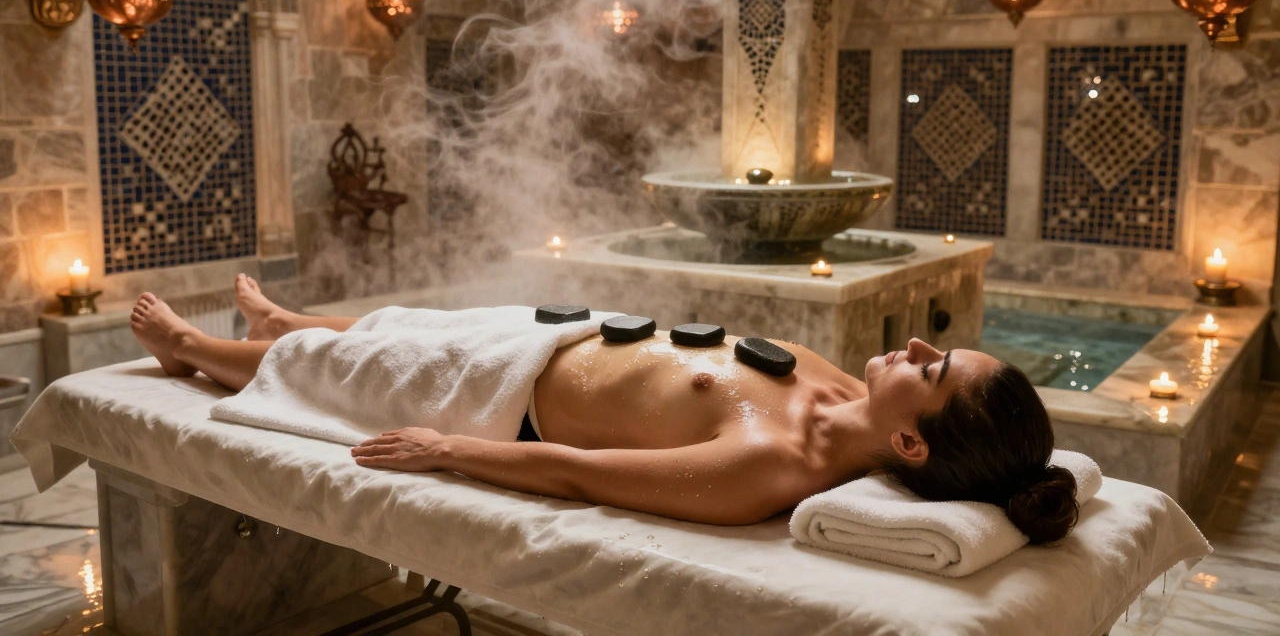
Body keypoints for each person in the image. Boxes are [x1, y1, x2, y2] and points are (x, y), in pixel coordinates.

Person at [128, 274, 1078, 541]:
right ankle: (288, 316)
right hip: (568, 335)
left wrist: (449, 448)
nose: (914, 345)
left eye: (934, 364)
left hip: (512, 399)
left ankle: (194, 350)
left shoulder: (772, 467)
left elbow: (583, 474)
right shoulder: (836, 387)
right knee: (412, 318)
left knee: (366, 366)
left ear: (911, 438)